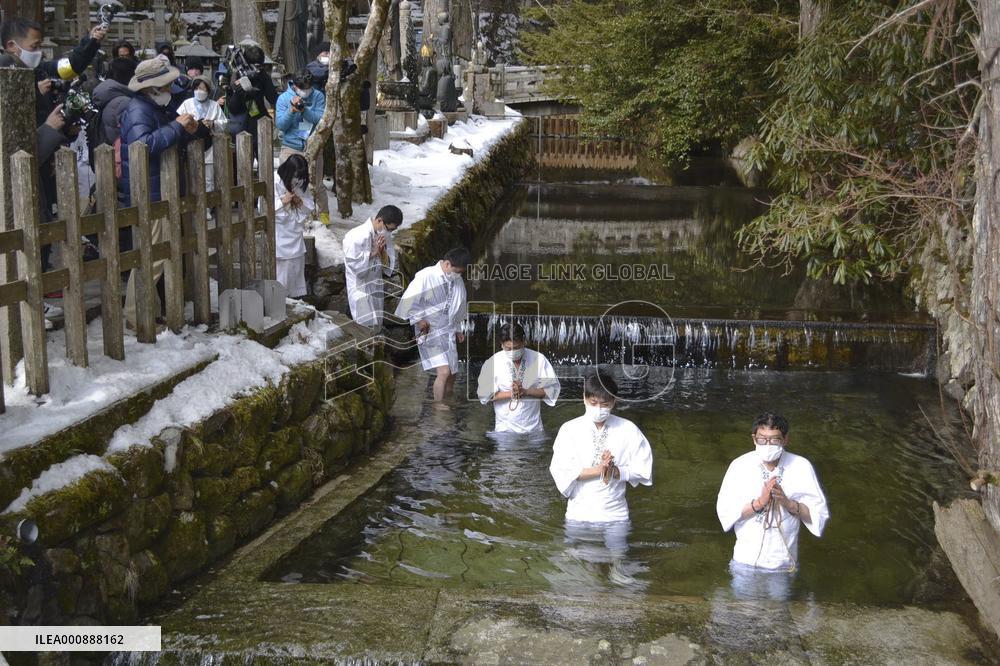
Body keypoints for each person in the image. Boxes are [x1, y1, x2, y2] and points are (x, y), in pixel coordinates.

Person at [119, 58, 206, 330]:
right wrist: (176, 127)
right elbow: (142, 145)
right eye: (166, 85)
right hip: (150, 192)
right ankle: (136, 317)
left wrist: (191, 130)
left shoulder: (156, 107)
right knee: (152, 257)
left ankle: (149, 312)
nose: (170, 89)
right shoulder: (137, 110)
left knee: (159, 254)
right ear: (152, 88)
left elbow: (172, 137)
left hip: (161, 190)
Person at [716, 412, 830, 574]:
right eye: (762, 439)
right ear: (754, 438)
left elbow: (818, 515)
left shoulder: (800, 466)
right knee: (743, 600)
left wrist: (788, 503)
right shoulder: (740, 466)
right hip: (745, 560)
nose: (768, 444)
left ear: (785, 439)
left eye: (775, 440)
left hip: (783, 562)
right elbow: (726, 513)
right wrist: (760, 502)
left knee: (780, 599)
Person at [549, 371, 653, 524]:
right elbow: (561, 470)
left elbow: (643, 469)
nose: (599, 408)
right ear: (584, 397)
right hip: (578, 513)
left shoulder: (628, 429)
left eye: (605, 404)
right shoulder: (569, 429)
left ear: (614, 401)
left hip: (616, 514)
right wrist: (599, 470)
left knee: (618, 548)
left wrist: (615, 471)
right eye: (593, 402)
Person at [394, 247, 470, 405]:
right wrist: (418, 319)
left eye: (461, 272)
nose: (459, 275)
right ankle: (439, 407)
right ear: (448, 264)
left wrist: (457, 328)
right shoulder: (426, 275)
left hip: (447, 330)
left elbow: (459, 304)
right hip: (429, 330)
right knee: (443, 371)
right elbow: (409, 300)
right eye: (457, 271)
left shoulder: (456, 279)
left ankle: (448, 400)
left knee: (453, 372)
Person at [477, 322, 561, 433]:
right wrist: (511, 394)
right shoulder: (492, 363)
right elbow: (485, 395)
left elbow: (551, 391)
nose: (512, 352)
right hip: (504, 430)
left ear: (523, 341)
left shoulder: (539, 359)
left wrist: (526, 391)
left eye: (516, 348)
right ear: (501, 344)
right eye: (508, 348)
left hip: (534, 428)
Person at [342, 205, 401, 328]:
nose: (389, 232)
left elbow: (388, 266)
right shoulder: (356, 236)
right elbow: (353, 264)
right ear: (379, 220)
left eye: (392, 230)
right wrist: (373, 253)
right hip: (360, 286)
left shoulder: (385, 237)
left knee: (377, 324)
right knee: (364, 325)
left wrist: (383, 252)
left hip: (376, 283)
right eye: (388, 229)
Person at [225, 44, 277, 159]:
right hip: (241, 122)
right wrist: (239, 91)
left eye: (259, 66)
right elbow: (233, 107)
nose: (256, 69)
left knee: (264, 159)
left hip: (259, 120)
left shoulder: (263, 76)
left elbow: (272, 98)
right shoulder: (238, 74)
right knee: (242, 161)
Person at [273, 155, 313, 298]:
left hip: (295, 233)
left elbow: (309, 206)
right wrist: (283, 202)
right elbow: (263, 207)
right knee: (281, 273)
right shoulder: (275, 180)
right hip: (280, 233)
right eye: (295, 175)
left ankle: (295, 301)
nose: (297, 178)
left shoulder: (301, 182)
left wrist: (299, 202)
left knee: (296, 272)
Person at [177, 75, 225, 192]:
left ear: (208, 90)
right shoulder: (186, 104)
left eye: (203, 89)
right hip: (191, 145)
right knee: (192, 178)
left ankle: (208, 208)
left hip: (209, 147)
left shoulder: (214, 105)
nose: (200, 91)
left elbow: (224, 123)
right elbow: (178, 122)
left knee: (209, 179)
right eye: (197, 88)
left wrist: (213, 123)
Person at [275, 68, 325, 161]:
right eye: (302, 89)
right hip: (290, 148)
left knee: (315, 175)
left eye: (308, 88)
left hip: (313, 147)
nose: (305, 91)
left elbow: (320, 120)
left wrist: (304, 111)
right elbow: (281, 125)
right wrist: (291, 111)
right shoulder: (283, 98)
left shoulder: (318, 96)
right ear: (294, 85)